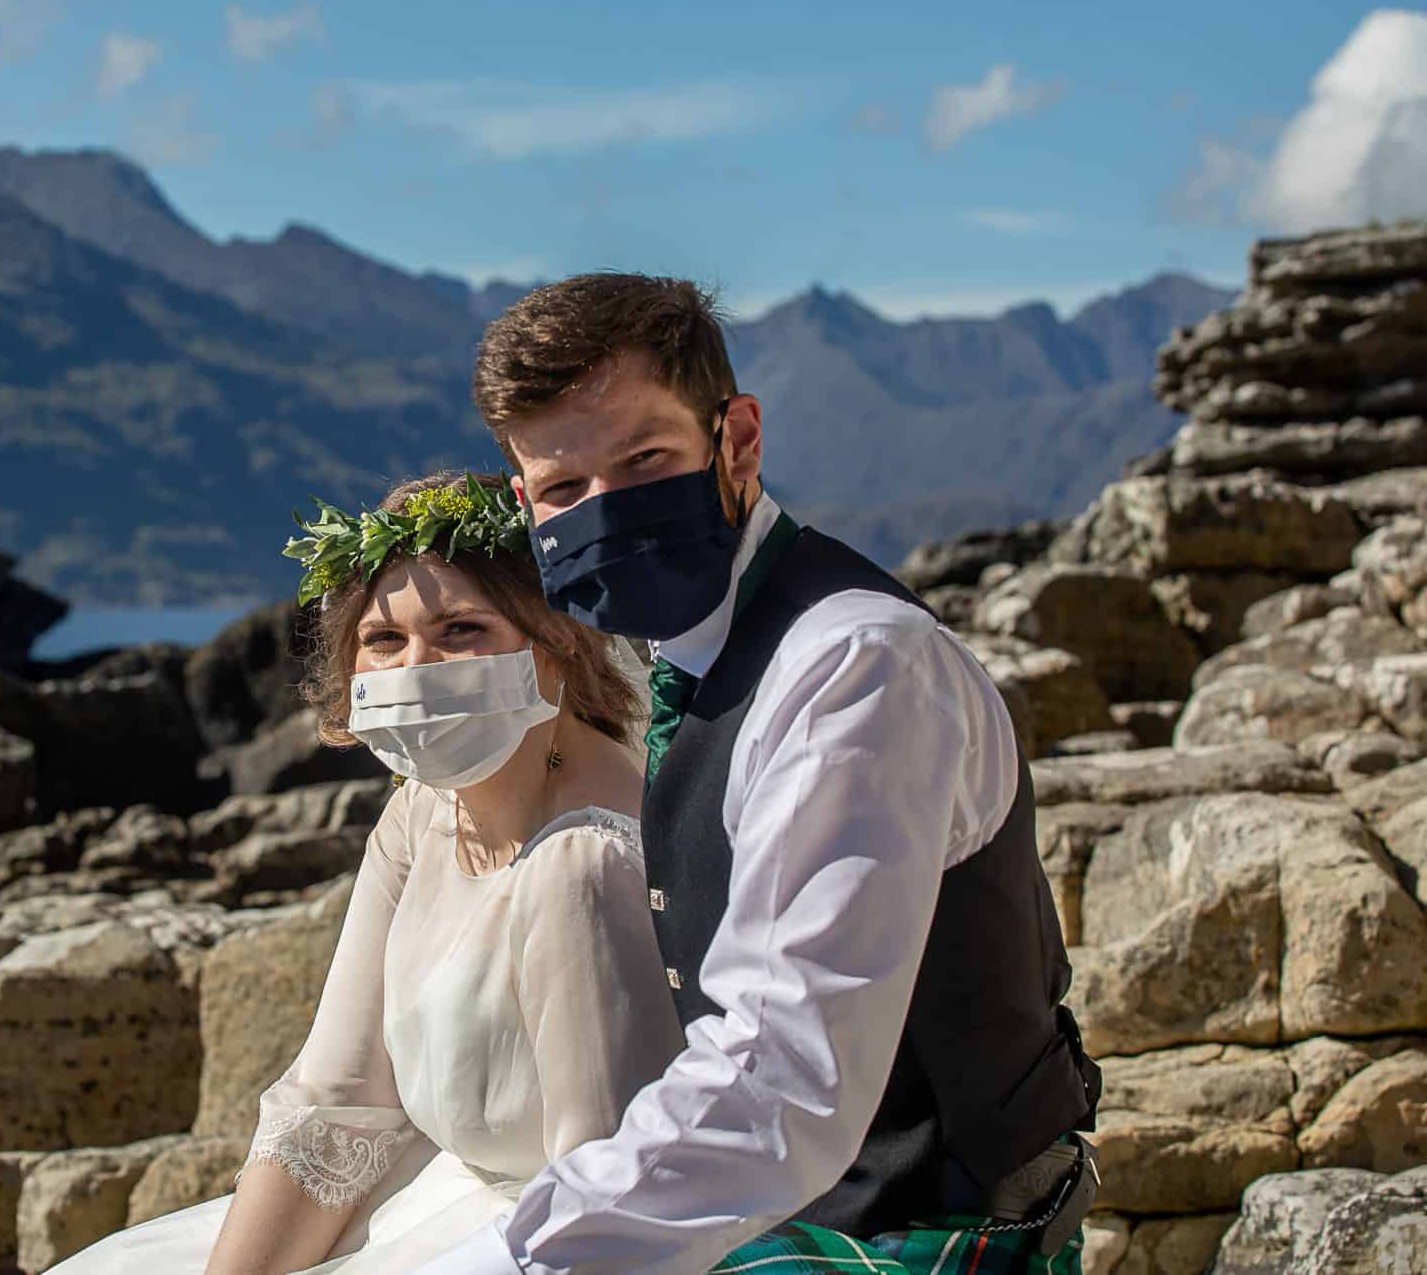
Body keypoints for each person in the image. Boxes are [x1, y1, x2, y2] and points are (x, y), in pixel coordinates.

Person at [414, 275, 1103, 1275]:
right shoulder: (686, 652)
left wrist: (504, 1264)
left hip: (919, 1241)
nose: (604, 512)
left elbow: (785, 1075)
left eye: (644, 458)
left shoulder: (854, 669)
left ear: (735, 439)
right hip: (780, 1207)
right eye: (563, 491)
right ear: (525, 503)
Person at [45, 471, 683, 1274]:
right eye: (385, 639)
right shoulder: (423, 809)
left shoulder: (585, 866)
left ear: (556, 640)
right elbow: (335, 1099)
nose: (417, 666)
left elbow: (607, 1207)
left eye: (461, 629)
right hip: (422, 1203)